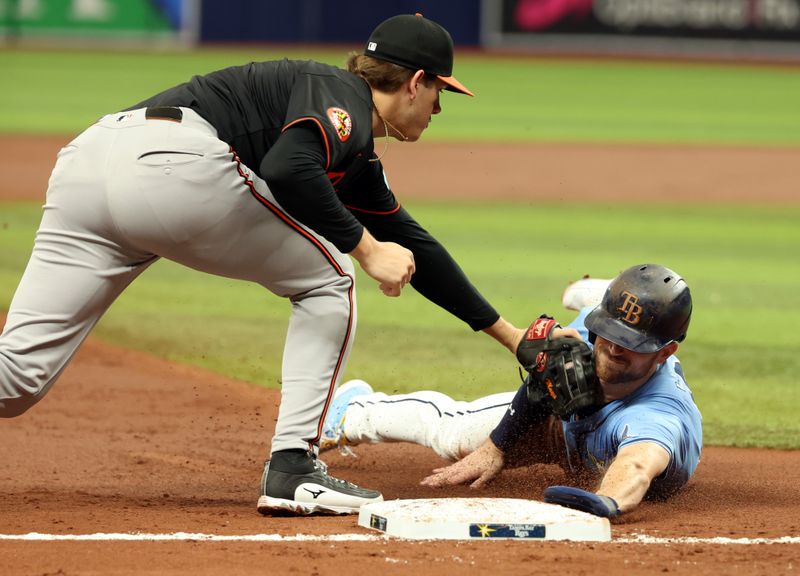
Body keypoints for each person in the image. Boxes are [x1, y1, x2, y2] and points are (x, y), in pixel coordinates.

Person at [0, 14, 528, 516]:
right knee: (330, 279)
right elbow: (289, 167)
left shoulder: (355, 153)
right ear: (415, 82)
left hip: (87, 164)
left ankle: (294, 466)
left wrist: (511, 336)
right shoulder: (340, 93)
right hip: (169, 163)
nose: (438, 109)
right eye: (439, 91)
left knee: (18, 377)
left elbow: (415, 244)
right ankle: (293, 468)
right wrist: (365, 250)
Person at [321, 264, 702, 518]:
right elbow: (547, 369)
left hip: (603, 431)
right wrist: (496, 446)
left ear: (666, 351)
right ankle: (352, 410)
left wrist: (608, 502)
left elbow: (637, 463)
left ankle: (604, 294)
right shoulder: (590, 329)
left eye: (631, 342)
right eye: (611, 332)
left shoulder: (656, 417)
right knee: (454, 436)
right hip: (562, 425)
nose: (615, 347)